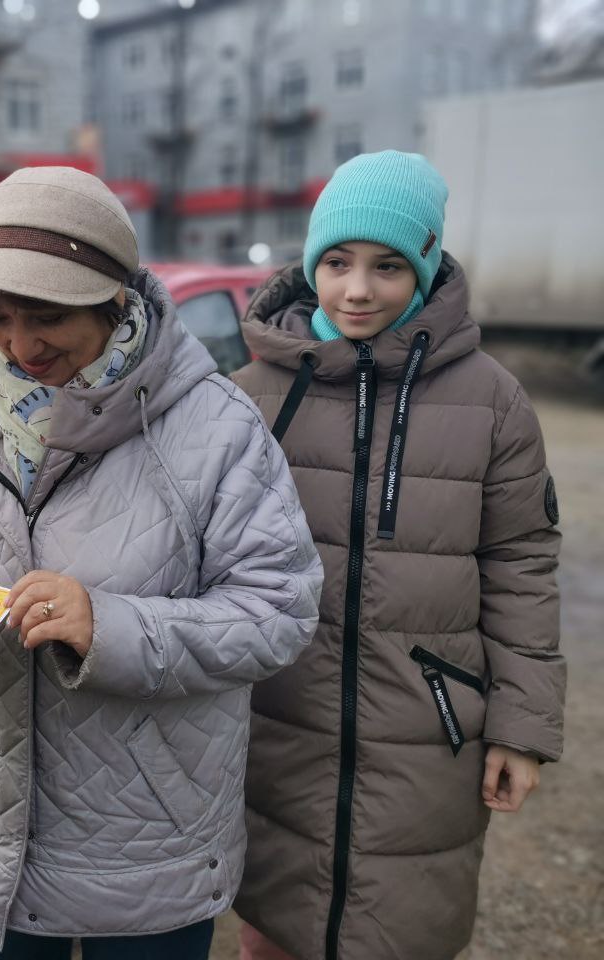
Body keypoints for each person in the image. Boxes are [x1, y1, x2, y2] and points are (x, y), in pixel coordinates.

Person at [0, 166, 324, 959]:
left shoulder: (216, 428)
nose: (21, 346)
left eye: (48, 316)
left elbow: (279, 610)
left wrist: (109, 627)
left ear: (114, 298)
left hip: (147, 847)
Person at [231, 151, 566, 960]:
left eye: (386, 266)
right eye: (337, 263)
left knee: (404, 927)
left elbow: (521, 562)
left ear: (424, 264)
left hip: (428, 729)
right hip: (276, 721)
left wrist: (521, 727)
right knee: (272, 926)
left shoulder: (491, 399)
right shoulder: (250, 394)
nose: (356, 290)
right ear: (311, 265)